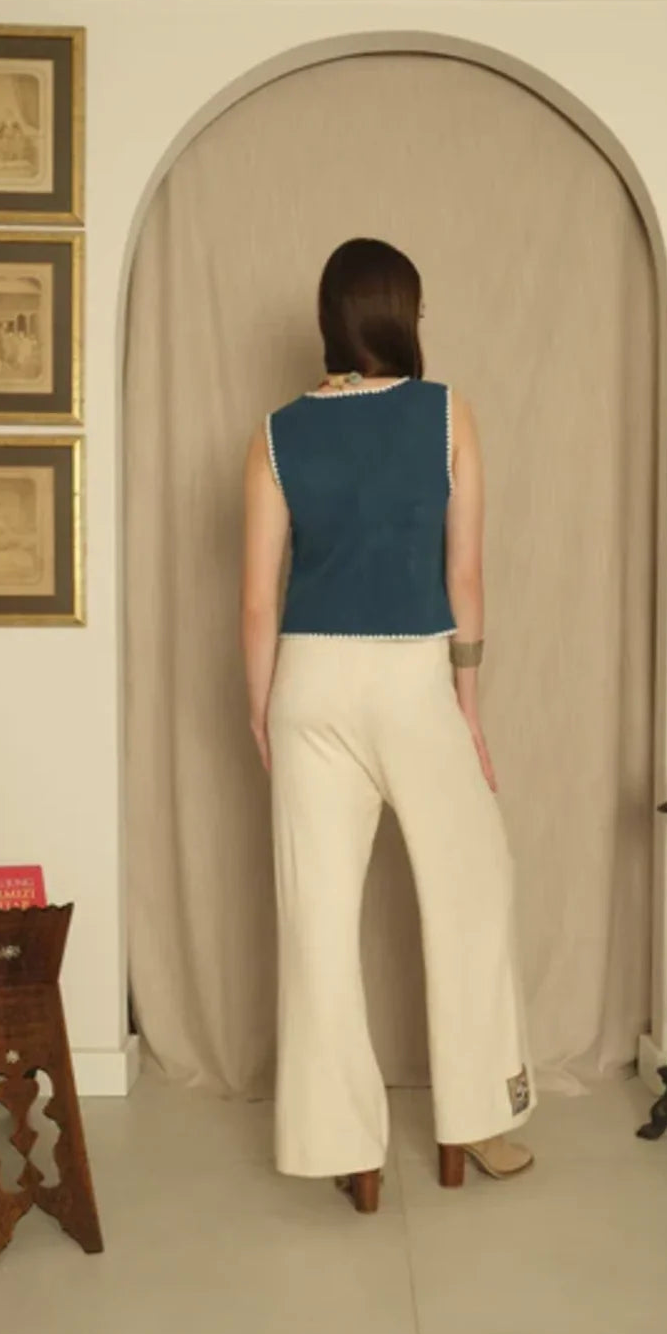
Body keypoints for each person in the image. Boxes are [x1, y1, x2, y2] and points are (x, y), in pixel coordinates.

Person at [240, 238, 534, 1213]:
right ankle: (472, 1124)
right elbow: (465, 575)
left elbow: (256, 600)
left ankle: (346, 1150)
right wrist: (469, 708)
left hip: (308, 683)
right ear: (403, 317)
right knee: (472, 890)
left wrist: (261, 711)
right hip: (412, 677)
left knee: (316, 920)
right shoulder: (446, 412)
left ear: (330, 321)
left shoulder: (275, 433)